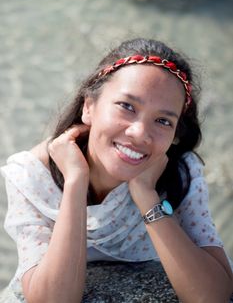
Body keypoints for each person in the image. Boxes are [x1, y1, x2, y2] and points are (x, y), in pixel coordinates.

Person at [0, 38, 233, 303]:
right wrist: (76, 182)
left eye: (162, 120)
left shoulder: (181, 172)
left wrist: (147, 197)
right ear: (89, 106)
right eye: (127, 106)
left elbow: (212, 296)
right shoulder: (32, 176)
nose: (140, 133)